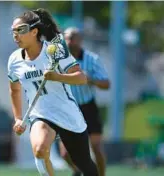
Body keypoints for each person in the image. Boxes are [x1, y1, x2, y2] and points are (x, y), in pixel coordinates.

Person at [8, 8, 98, 176]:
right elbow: (14, 89)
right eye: (13, 31)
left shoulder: (55, 50)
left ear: (34, 31)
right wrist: (18, 118)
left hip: (67, 113)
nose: (15, 35)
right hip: (40, 114)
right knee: (40, 151)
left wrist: (57, 77)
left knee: (84, 164)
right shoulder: (14, 60)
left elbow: (81, 78)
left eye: (20, 30)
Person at [59, 27, 110, 176]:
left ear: (79, 40)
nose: (68, 41)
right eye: (66, 38)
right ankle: (78, 171)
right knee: (65, 153)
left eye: (72, 38)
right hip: (69, 109)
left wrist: (90, 80)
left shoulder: (91, 59)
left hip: (88, 106)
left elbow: (106, 84)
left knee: (96, 147)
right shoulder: (60, 60)